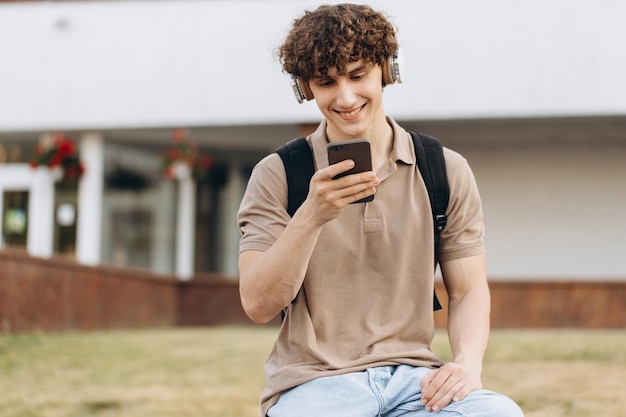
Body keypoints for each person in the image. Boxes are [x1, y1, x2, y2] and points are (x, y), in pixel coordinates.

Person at [237, 4, 524, 417]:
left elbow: (468, 290)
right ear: (305, 88)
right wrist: (312, 215)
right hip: (313, 384)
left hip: (415, 381)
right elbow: (258, 304)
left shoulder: (444, 169)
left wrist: (466, 365)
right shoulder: (278, 174)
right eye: (326, 82)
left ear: (388, 70)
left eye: (358, 75)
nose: (346, 97)